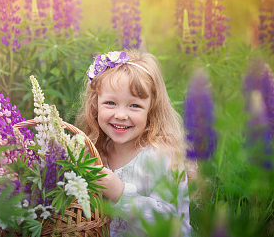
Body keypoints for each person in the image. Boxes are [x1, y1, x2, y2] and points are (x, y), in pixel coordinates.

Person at [76, 50, 194, 236]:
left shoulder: (162, 157)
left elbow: (174, 228)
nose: (121, 115)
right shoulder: (94, 151)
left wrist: (122, 195)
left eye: (135, 105)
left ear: (151, 109)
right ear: (95, 105)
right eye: (110, 103)